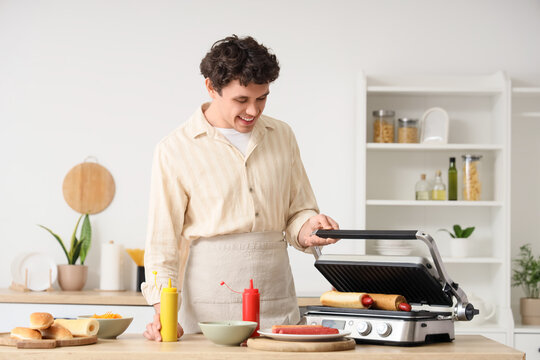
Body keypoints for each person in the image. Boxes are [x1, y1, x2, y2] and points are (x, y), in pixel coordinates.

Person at [141, 35, 340, 341]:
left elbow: (298, 210)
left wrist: (308, 227)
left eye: (262, 98)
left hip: (276, 302)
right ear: (211, 87)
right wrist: (161, 312)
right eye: (241, 100)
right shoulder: (174, 149)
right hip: (208, 309)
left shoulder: (282, 135)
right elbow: (162, 241)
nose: (253, 110)